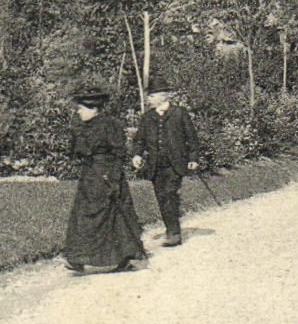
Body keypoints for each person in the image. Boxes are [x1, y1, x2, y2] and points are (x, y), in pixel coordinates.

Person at [62, 83, 147, 274]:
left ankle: (123, 256)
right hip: (90, 175)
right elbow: (77, 152)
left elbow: (119, 152)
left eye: (81, 108)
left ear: (93, 108)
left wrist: (112, 178)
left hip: (107, 173)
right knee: (84, 214)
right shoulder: (82, 126)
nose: (78, 112)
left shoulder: (110, 125)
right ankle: (77, 258)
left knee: (112, 214)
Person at [131, 74, 201, 247]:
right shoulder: (147, 118)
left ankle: (174, 233)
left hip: (175, 165)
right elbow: (139, 140)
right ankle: (171, 227)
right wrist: (137, 155)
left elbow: (192, 138)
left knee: (170, 194)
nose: (148, 99)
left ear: (163, 96)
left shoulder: (179, 114)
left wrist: (193, 158)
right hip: (156, 166)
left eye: (151, 96)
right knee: (161, 197)